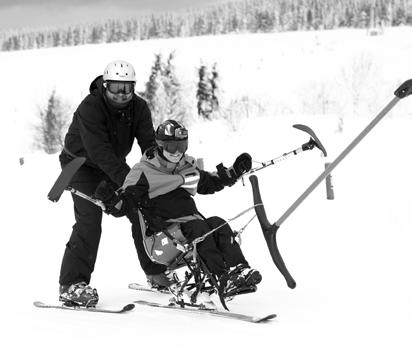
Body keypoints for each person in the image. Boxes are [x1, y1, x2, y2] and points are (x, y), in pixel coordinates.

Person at [95, 120, 262, 297]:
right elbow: (126, 203)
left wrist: (234, 172)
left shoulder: (187, 166)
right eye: (171, 147)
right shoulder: (143, 171)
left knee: (217, 224)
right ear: (160, 145)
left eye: (181, 146)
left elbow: (209, 183)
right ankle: (221, 279)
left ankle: (238, 271)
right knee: (200, 229)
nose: (177, 153)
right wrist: (110, 200)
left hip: (191, 228)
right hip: (163, 237)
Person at [58, 60, 156, 307]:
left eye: (127, 89)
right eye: (115, 88)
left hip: (110, 166)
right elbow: (99, 151)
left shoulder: (140, 108)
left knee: (141, 210)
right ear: (104, 85)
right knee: (90, 221)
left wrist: (159, 175)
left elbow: (150, 147)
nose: (121, 95)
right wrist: (131, 180)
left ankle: (156, 272)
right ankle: (71, 285)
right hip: (78, 165)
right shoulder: (90, 107)